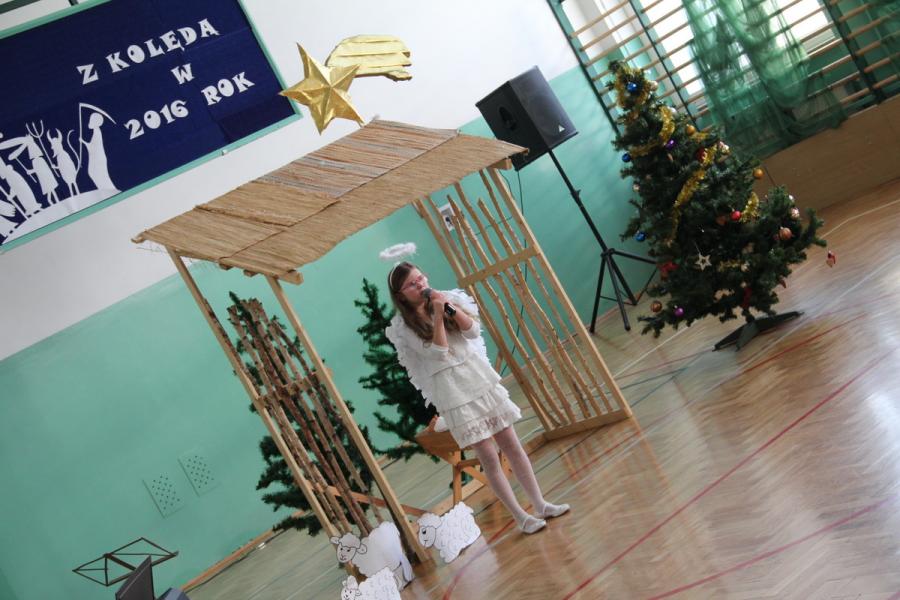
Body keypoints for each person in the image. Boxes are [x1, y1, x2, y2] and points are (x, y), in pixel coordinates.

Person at [385, 261, 569, 534]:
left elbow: (472, 331)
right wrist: (437, 315)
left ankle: (541, 504)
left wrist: (448, 307)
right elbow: (438, 353)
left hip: (477, 377)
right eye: (412, 284)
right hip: (453, 390)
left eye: (420, 278)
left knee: (512, 445)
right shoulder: (404, 328)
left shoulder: (446, 300)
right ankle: (521, 517)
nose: (420, 284)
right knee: (489, 457)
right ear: (401, 295)